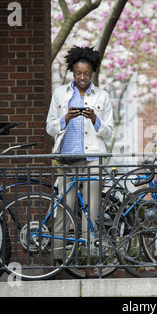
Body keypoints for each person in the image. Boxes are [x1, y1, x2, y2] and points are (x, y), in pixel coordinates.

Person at [46, 46, 114, 276]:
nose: (82, 78)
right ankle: (57, 263)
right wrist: (65, 118)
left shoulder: (102, 96)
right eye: (77, 73)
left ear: (93, 72)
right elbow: (49, 127)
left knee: (91, 213)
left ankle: (89, 265)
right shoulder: (60, 94)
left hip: (92, 160)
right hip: (66, 160)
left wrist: (95, 119)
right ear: (72, 72)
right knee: (63, 210)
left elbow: (109, 132)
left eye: (86, 74)